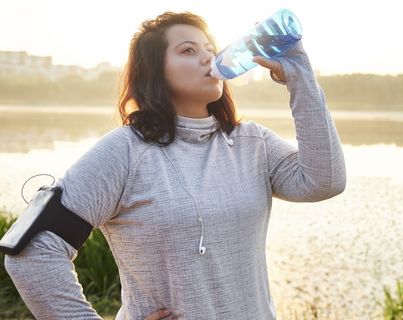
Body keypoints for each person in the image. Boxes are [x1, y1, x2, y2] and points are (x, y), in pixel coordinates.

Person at [4, 10, 346, 320]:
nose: (208, 57)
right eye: (188, 50)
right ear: (154, 72)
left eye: (209, 47)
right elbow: (32, 251)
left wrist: (299, 72)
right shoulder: (124, 151)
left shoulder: (250, 142)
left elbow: (324, 181)